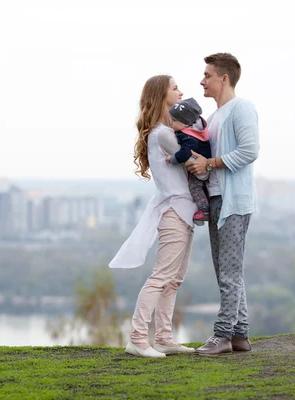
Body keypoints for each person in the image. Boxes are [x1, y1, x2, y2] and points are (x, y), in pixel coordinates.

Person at [109, 75, 197, 358]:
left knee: (174, 279)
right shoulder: (163, 134)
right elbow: (196, 163)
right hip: (174, 211)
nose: (181, 92)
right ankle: (137, 338)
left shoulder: (163, 132)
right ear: (162, 96)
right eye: (175, 88)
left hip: (182, 211)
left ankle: (163, 337)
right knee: (161, 277)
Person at [186, 53, 260, 355]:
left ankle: (222, 336)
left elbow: (250, 150)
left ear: (224, 78)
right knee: (227, 271)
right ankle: (240, 335)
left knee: (229, 272)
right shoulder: (215, 117)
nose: (202, 81)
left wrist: (212, 163)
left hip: (234, 203)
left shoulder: (241, 108)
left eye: (207, 75)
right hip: (217, 200)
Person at [167, 97, 212, 225]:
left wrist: (173, 158)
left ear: (186, 124)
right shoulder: (196, 130)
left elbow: (186, 153)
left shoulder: (188, 136)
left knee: (195, 188)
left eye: (174, 120)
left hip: (198, 168)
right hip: (204, 165)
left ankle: (204, 210)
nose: (171, 123)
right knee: (202, 188)